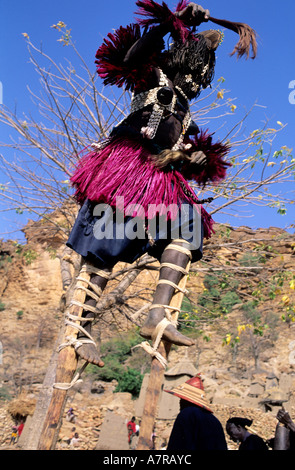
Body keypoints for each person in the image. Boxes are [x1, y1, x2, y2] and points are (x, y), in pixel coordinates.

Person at [66, 0, 257, 367]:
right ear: (179, 58)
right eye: (194, 68)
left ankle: (158, 317)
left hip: (162, 176)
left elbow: (188, 157)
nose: (195, 79)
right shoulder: (152, 74)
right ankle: (80, 328)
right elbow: (131, 58)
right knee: (109, 240)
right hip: (131, 165)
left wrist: (193, 158)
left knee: (186, 230)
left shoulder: (187, 114)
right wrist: (171, 22)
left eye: (200, 74)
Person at [165, 375, 227, 450]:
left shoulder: (186, 414)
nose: (179, 402)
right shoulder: (214, 420)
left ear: (186, 400)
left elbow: (176, 444)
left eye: (182, 399)